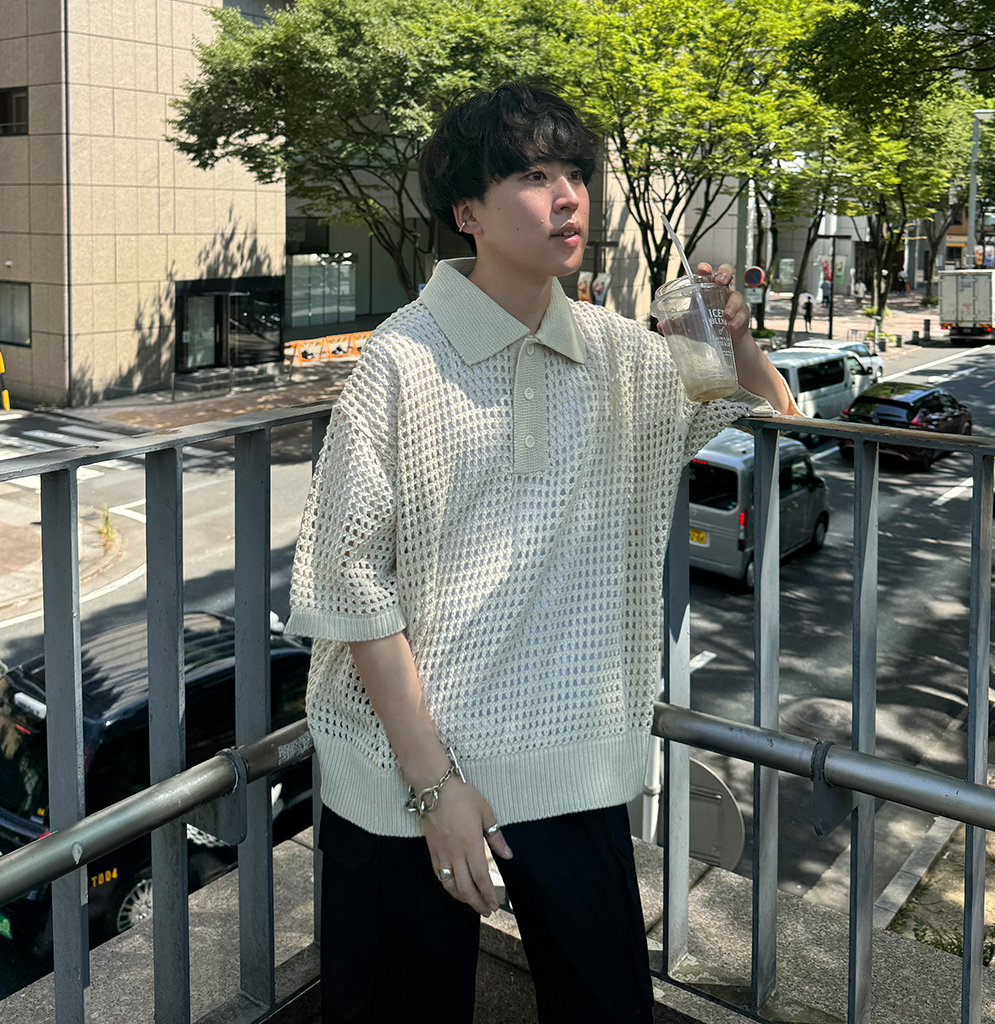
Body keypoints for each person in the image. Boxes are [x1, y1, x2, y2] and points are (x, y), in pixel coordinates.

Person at [286, 82, 797, 1024]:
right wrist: (435, 786)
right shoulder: (402, 358)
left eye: (574, 173)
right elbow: (349, 583)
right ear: (468, 213)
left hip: (569, 757)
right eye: (532, 176)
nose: (567, 197)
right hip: (404, 776)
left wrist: (736, 340)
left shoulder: (621, 353)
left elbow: (765, 409)